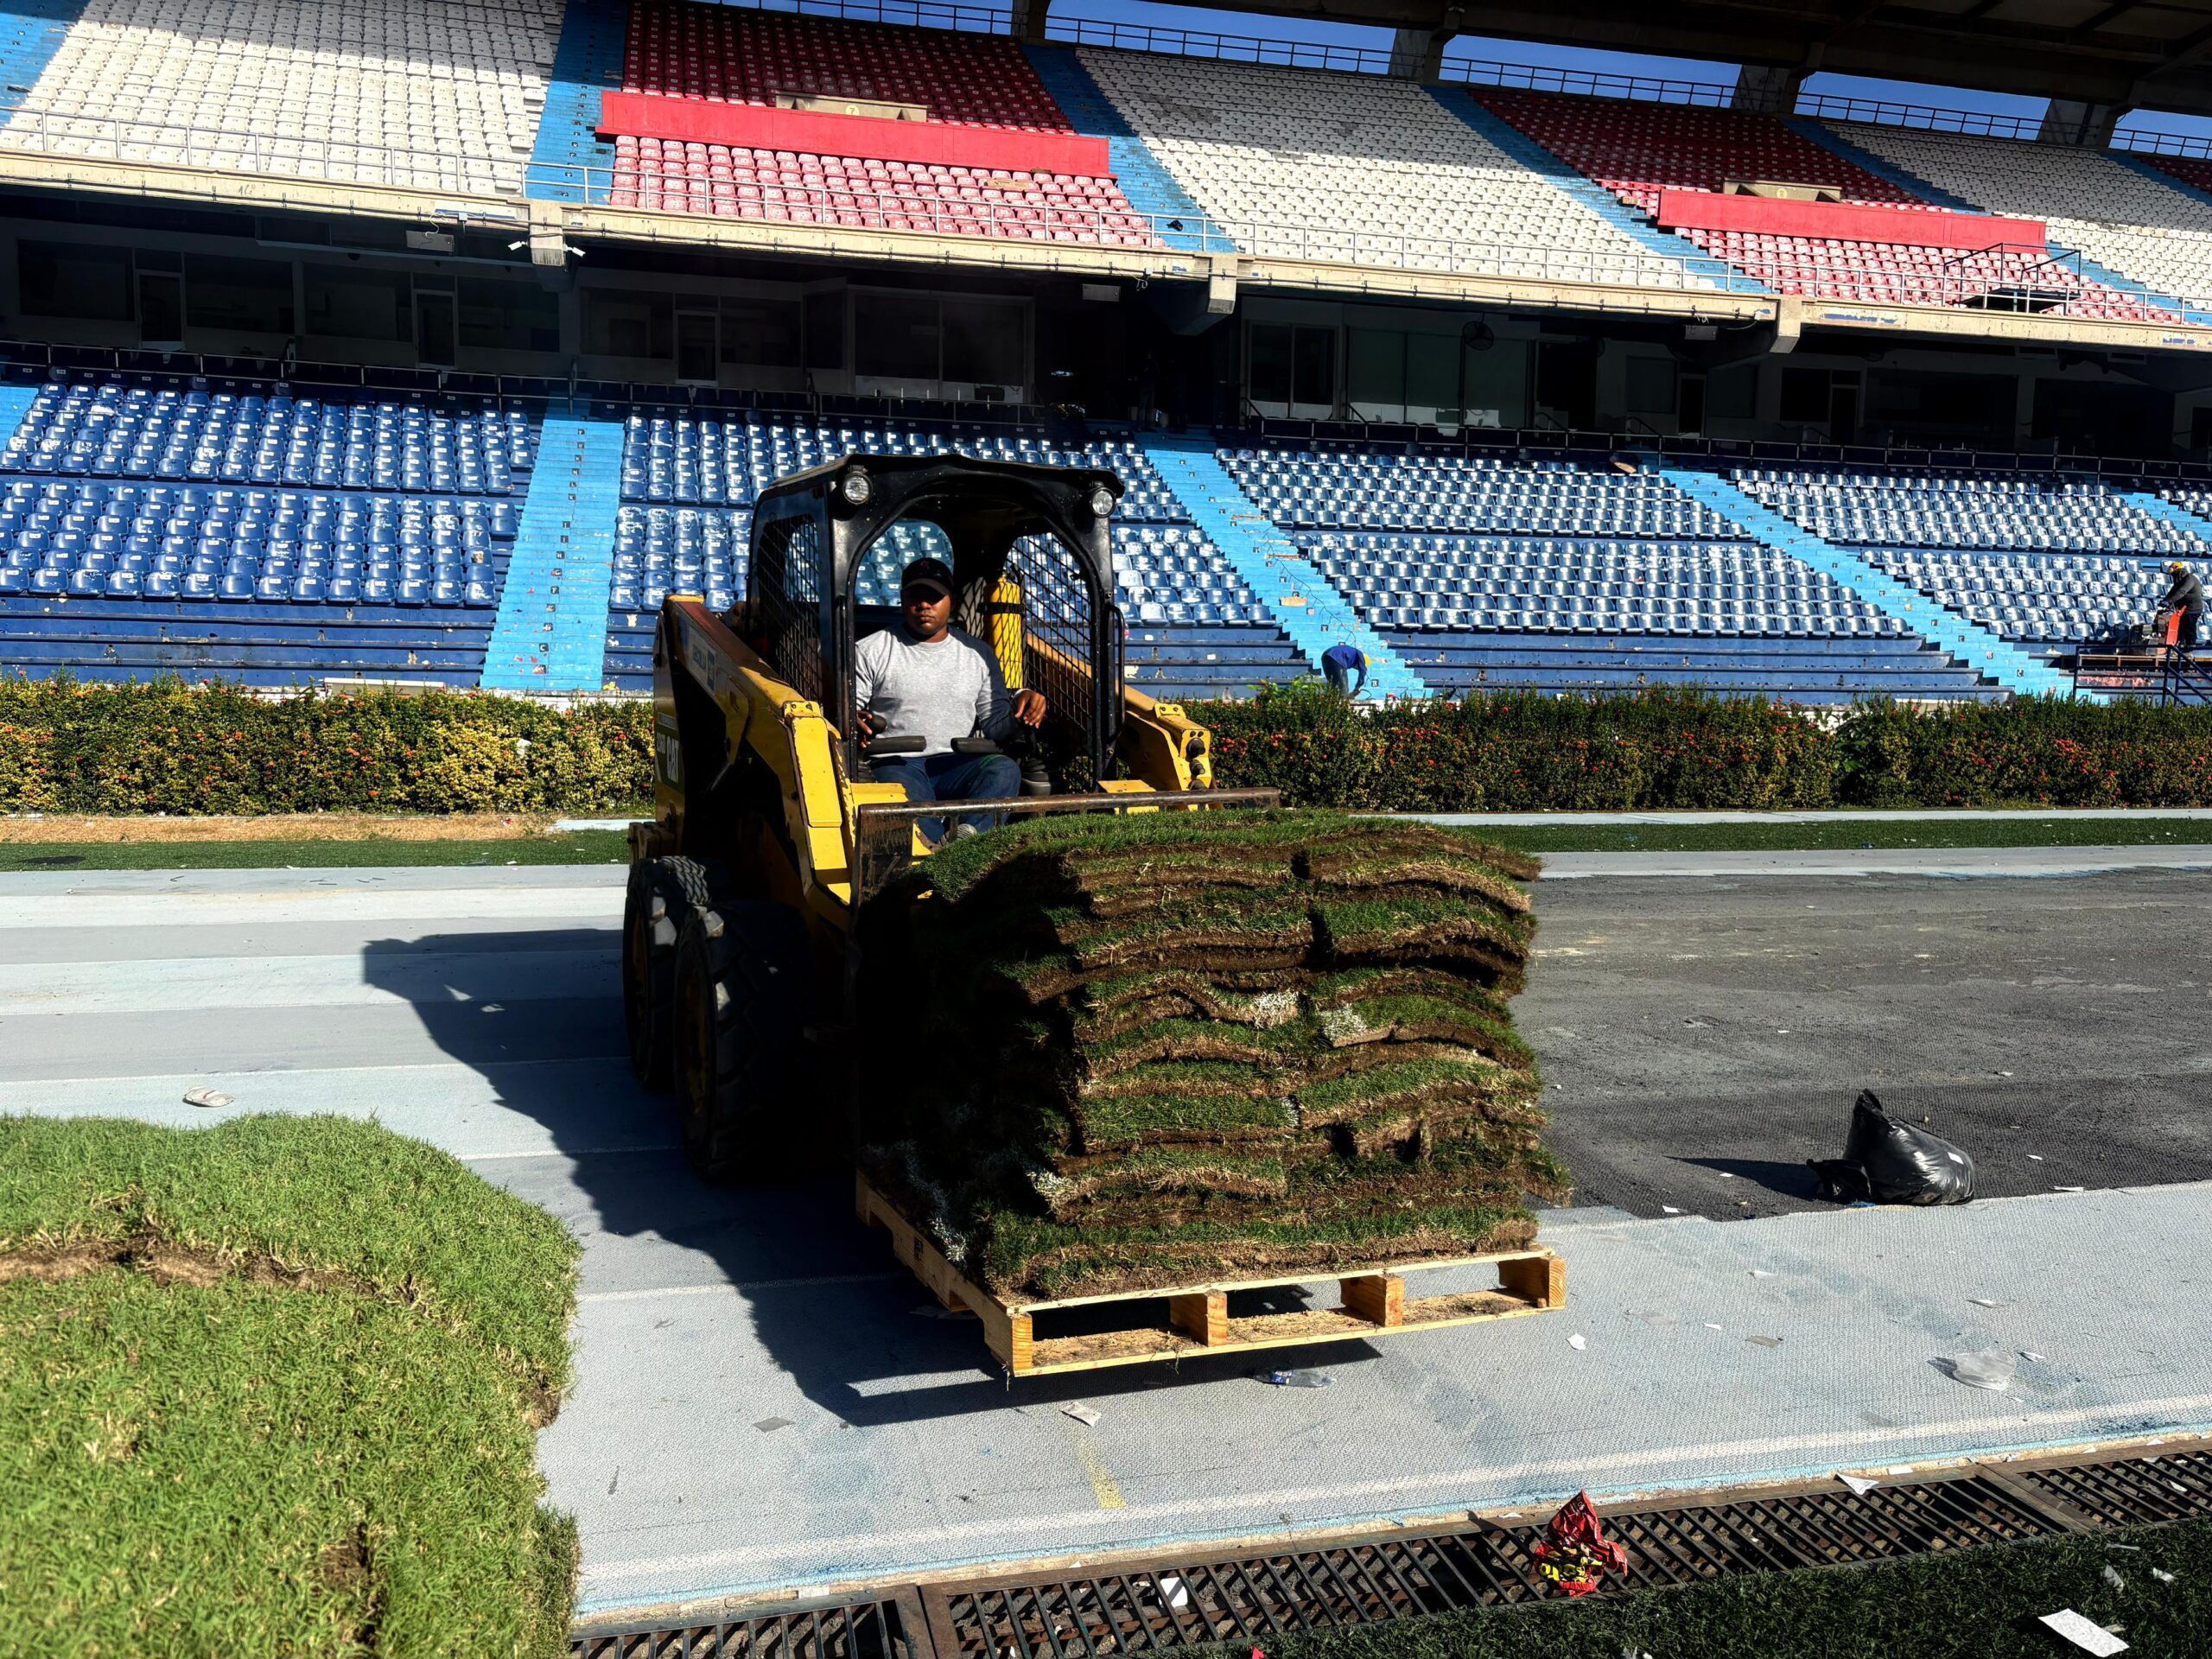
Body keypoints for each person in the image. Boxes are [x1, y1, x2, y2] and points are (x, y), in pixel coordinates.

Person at [855, 556, 1046, 843]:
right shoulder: (871, 650)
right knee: (901, 797)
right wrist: (854, 720)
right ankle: (948, 852)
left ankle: (965, 840)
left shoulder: (978, 654)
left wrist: (1023, 707)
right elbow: (850, 713)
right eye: (915, 596)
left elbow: (996, 724)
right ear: (902, 600)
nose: (924, 604)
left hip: (958, 763)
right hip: (897, 761)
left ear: (951, 602)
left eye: (934, 596)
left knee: (1003, 769)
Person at [2159, 560, 2203, 655]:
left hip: (2193, 609)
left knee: (2189, 628)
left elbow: (2182, 592)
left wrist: (2169, 601)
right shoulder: (2179, 582)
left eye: (2174, 574)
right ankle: (2180, 647)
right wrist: (2165, 600)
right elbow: (2173, 591)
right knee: (2181, 628)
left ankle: (2189, 649)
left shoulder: (2189, 579)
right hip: (2183, 609)